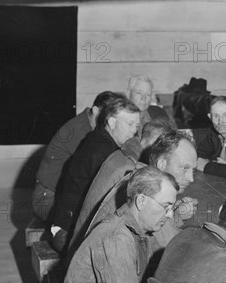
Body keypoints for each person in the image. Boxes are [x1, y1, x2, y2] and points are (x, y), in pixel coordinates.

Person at [67, 120, 176, 258]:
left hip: (82, 244)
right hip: (89, 253)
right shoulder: (132, 170)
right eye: (161, 148)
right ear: (150, 144)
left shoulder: (121, 155)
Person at [84, 131, 198, 256]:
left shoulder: (143, 180)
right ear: (161, 164)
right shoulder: (145, 196)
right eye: (184, 168)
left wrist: (175, 214)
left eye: (193, 170)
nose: (191, 178)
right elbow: (170, 252)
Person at [50, 97, 141, 253]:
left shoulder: (99, 138)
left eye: (137, 126)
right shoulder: (104, 151)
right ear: (112, 123)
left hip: (67, 224)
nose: (134, 131)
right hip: (67, 233)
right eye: (130, 124)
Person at [31, 91, 120, 222]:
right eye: (107, 115)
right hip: (47, 199)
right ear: (95, 111)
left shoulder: (91, 127)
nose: (110, 121)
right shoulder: (80, 131)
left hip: (60, 196)